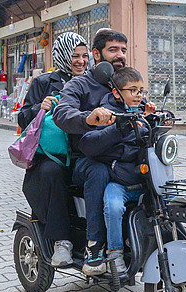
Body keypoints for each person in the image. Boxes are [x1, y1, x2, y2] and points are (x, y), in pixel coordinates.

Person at [53, 28, 137, 275]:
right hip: (87, 160)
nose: (120, 55)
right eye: (113, 50)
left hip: (122, 158)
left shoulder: (124, 82)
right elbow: (62, 113)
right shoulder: (79, 84)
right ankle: (94, 246)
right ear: (96, 54)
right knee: (98, 171)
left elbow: (140, 105)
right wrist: (88, 118)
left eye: (123, 50)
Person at [76, 67, 158, 276]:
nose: (139, 95)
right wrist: (117, 127)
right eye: (133, 90)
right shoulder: (107, 114)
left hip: (140, 177)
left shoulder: (139, 112)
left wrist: (155, 119)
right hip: (117, 178)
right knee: (112, 205)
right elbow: (88, 144)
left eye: (141, 90)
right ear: (116, 92)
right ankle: (110, 251)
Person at [18, 32, 90, 267]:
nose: (80, 61)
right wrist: (41, 106)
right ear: (62, 56)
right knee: (52, 173)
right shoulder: (44, 82)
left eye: (84, 56)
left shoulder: (93, 81)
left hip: (85, 153)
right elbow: (23, 118)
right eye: (74, 56)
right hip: (52, 156)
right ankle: (62, 241)